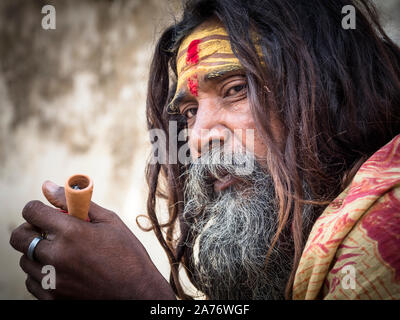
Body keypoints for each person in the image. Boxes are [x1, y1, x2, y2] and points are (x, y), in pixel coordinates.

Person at [9, 0, 400, 300]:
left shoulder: (384, 224)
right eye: (190, 111)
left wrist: (140, 293)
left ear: (328, 90)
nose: (197, 138)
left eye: (235, 90)